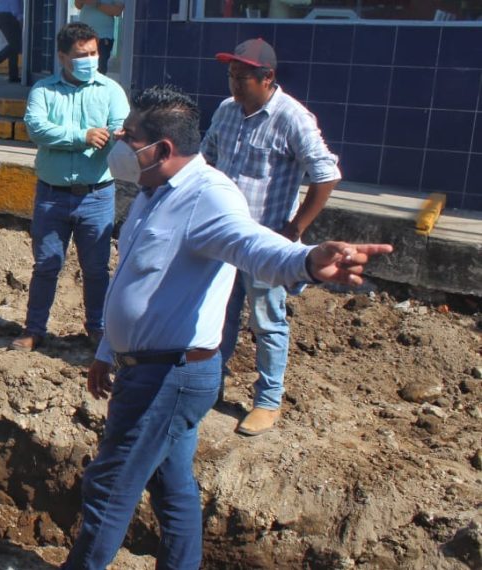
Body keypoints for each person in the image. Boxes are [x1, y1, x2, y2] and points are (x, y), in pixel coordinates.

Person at [63, 85, 390, 569]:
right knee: (171, 484)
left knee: (109, 487)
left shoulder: (209, 197)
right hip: (147, 369)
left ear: (162, 149)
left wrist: (306, 260)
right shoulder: (152, 193)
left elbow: (252, 245)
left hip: (169, 376)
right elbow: (136, 276)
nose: (118, 142)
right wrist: (109, 350)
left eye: (128, 135)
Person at [202, 38, 341, 436]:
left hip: (266, 242)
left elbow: (326, 174)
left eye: (243, 77)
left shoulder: (292, 117)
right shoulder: (227, 112)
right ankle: (211, 386)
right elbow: (208, 160)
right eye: (231, 76)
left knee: (267, 320)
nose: (234, 84)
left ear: (268, 78)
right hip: (224, 237)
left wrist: (295, 228)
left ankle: (268, 400)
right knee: (218, 315)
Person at [10, 22, 127, 352]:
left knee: (96, 269)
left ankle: (98, 329)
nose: (90, 59)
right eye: (81, 55)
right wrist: (83, 137)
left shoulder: (110, 91)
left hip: (97, 195)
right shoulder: (44, 91)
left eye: (93, 53)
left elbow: (120, 126)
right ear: (63, 57)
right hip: (52, 196)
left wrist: (117, 134)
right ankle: (34, 329)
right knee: (46, 265)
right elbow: (37, 129)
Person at [73, 0, 123, 75]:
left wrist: (96, 4)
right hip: (83, 34)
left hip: (103, 36)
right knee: (81, 66)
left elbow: (117, 11)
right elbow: (78, 6)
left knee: (99, 69)